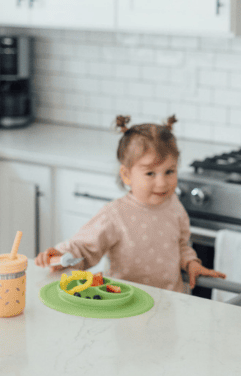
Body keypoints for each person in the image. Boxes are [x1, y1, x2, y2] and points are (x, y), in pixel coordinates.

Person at [35, 115, 226, 293]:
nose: (162, 182)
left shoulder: (174, 206)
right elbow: (84, 248)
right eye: (150, 173)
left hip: (169, 303)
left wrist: (191, 263)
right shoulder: (115, 214)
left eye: (169, 171)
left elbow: (181, 246)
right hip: (124, 304)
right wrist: (61, 255)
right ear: (127, 175)